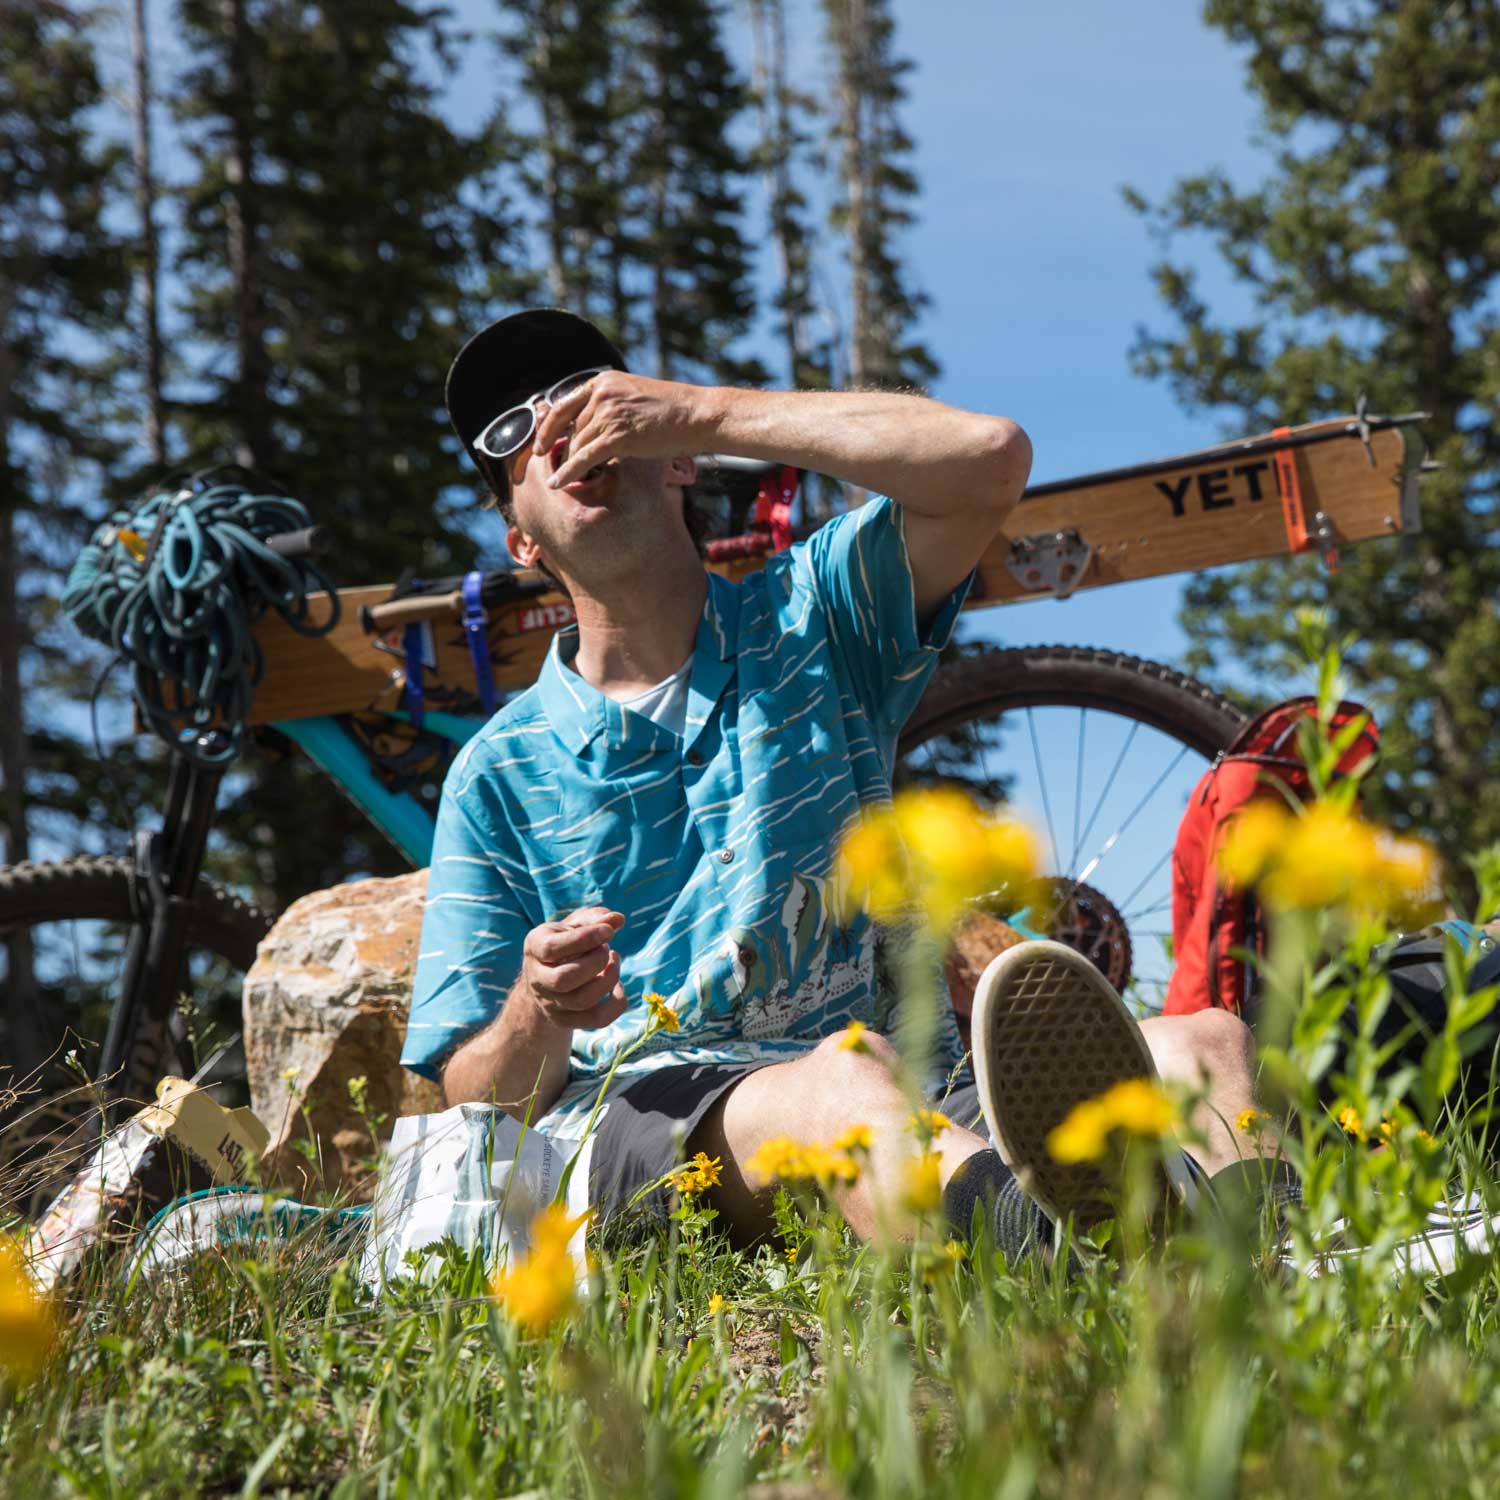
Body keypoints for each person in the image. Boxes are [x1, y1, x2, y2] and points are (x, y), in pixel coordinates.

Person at [399, 307, 1271, 1252]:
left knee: (1204, 1043)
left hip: (917, 1090)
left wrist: (704, 409)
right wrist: (538, 1006)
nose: (559, 422)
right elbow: (474, 1096)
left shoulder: (815, 616)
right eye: (518, 436)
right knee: (841, 1084)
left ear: (677, 456)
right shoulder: (497, 771)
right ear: (520, 538)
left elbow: (988, 459)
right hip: (666, 1120)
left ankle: (1275, 1264)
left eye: (581, 394)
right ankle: (1065, 1263)